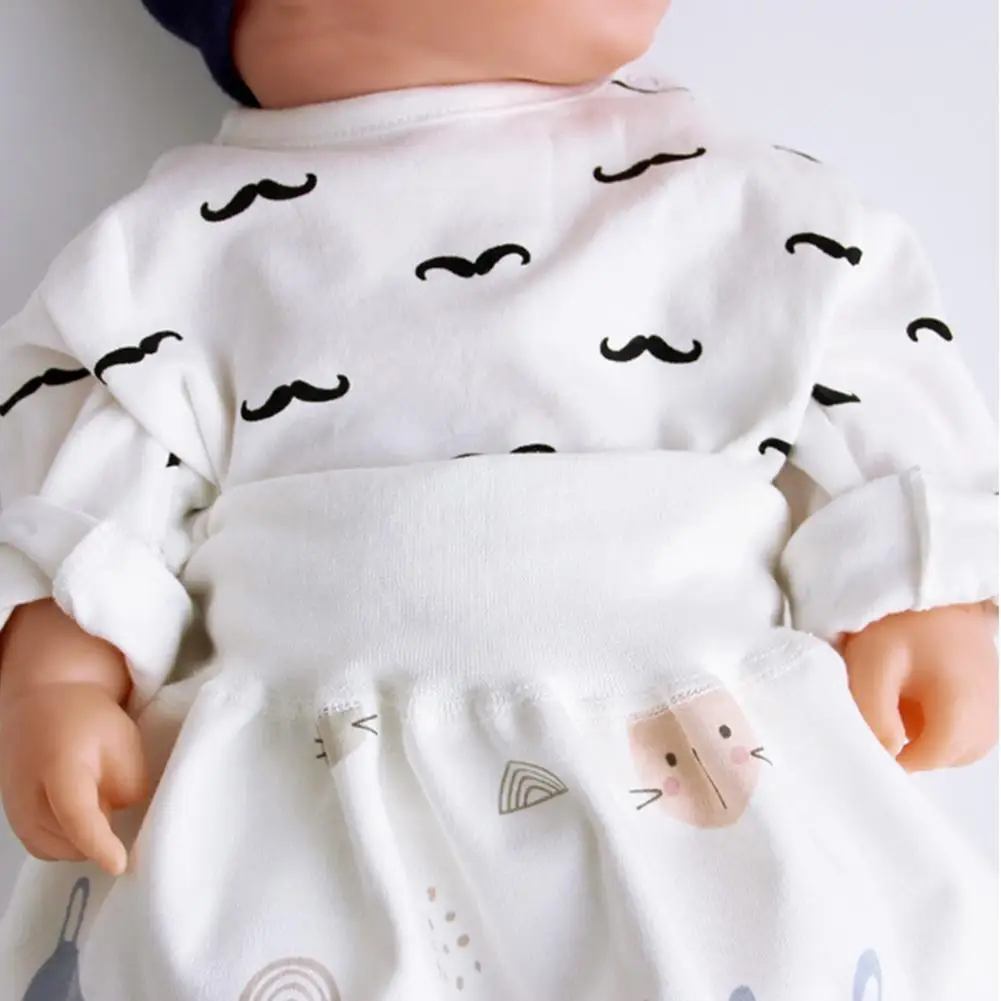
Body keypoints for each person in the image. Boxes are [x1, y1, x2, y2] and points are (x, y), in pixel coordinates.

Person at [0, 1, 996, 998]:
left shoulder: (732, 196)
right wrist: (57, 682)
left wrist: (918, 591)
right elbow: (84, 509)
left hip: (696, 747)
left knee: (784, 944)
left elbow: (863, 366)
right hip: (309, 791)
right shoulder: (169, 253)